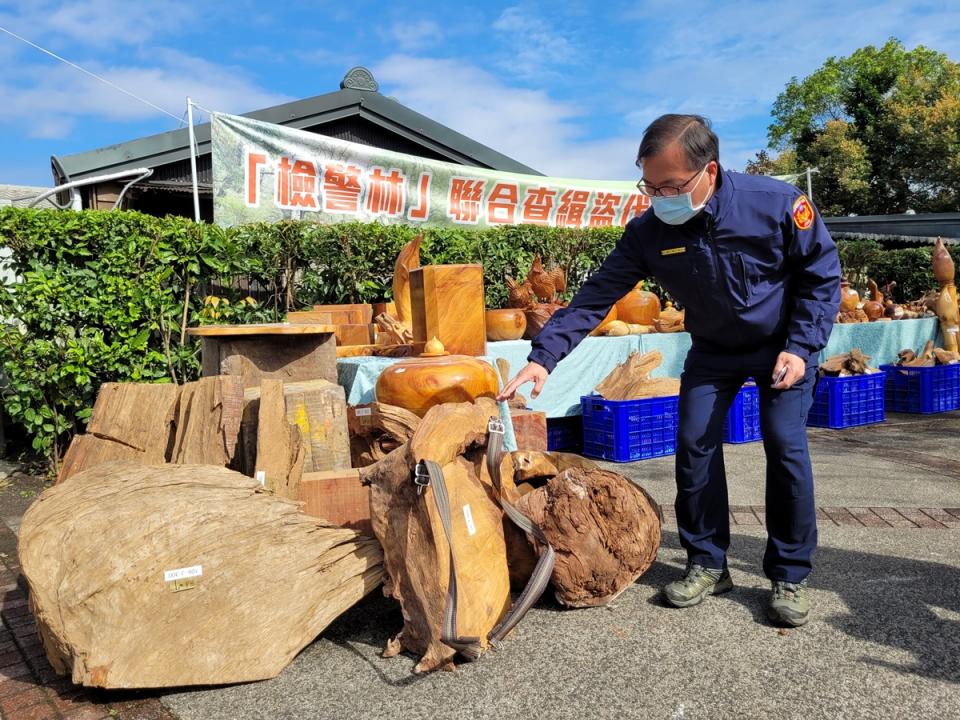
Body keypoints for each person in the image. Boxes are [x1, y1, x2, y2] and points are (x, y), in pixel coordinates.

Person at [497, 114, 840, 627]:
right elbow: (594, 299)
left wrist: (801, 345)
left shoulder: (775, 204)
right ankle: (707, 562)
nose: (660, 196)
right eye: (649, 186)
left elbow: (821, 275)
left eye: (671, 186)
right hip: (714, 350)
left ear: (709, 171)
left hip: (781, 348)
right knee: (694, 445)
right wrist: (541, 358)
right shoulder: (649, 231)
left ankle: (789, 572)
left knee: (784, 444)